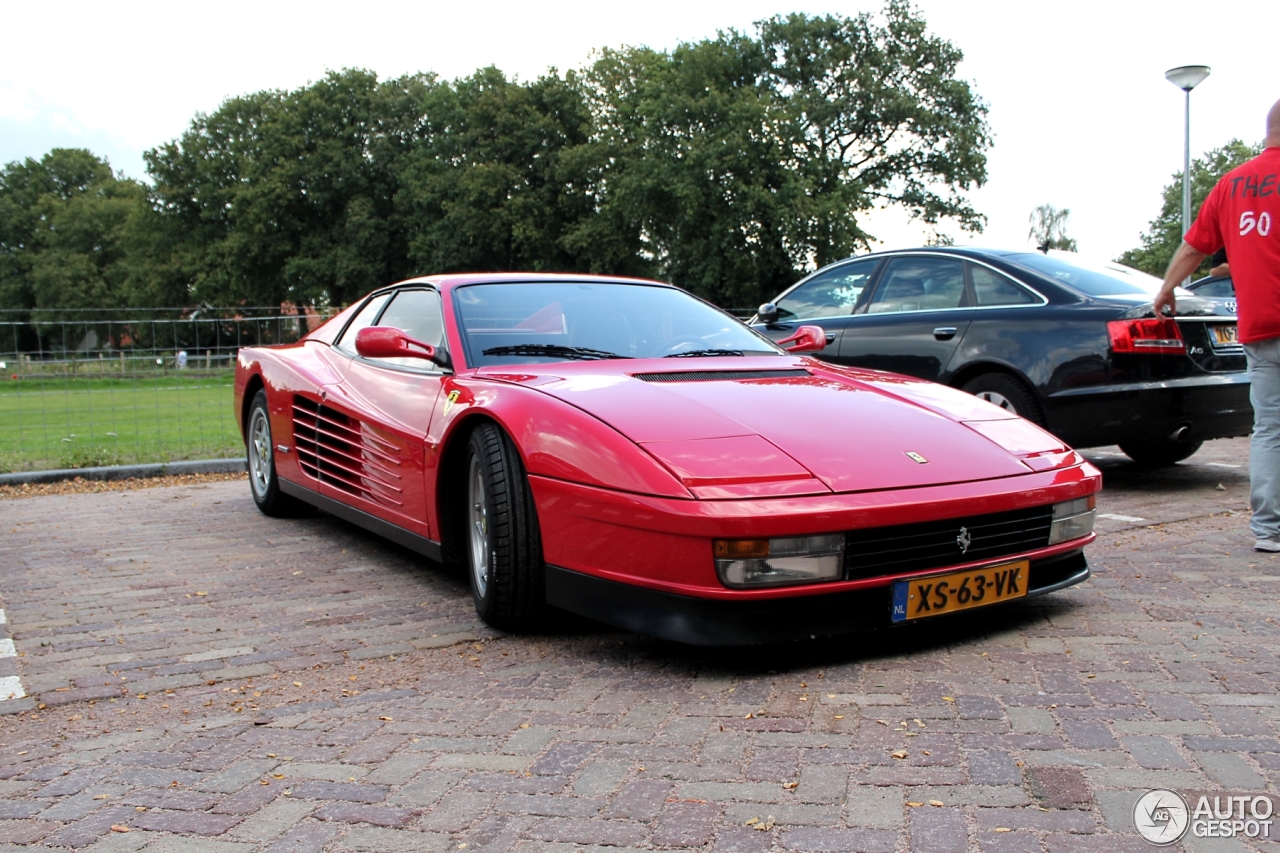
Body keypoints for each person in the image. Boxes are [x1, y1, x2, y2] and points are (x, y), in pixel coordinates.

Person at [1155, 98, 1280, 551]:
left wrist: (1166, 288)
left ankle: (1268, 529)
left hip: (1261, 326)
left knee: (1270, 428)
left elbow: (1193, 248)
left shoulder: (1232, 184)